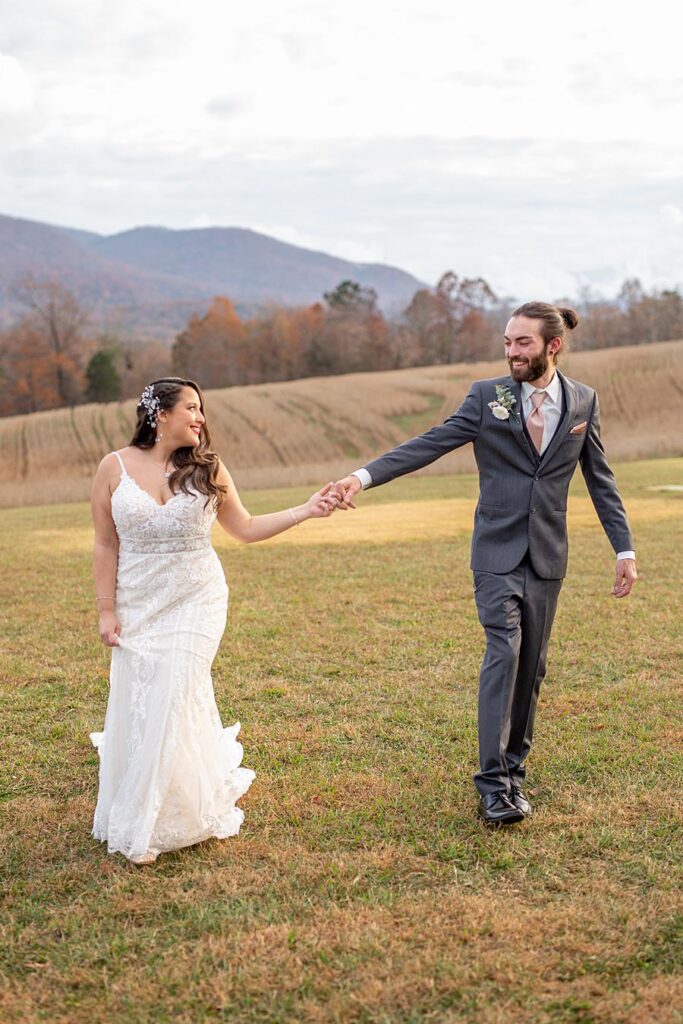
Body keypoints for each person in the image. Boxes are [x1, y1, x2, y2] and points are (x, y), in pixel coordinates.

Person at [333, 303, 637, 825]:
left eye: (522, 343)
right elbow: (428, 444)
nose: (512, 352)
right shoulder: (486, 397)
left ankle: (514, 773)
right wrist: (361, 477)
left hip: (546, 556)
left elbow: (600, 479)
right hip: (495, 554)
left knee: (532, 668)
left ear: (552, 346)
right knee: (505, 652)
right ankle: (493, 787)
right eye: (507, 342)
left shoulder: (583, 401)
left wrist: (624, 548)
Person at [90, 376, 338, 864]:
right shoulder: (112, 467)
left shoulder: (209, 468)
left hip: (197, 598)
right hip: (139, 603)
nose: (201, 419)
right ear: (159, 413)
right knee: (148, 695)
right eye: (192, 409)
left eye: (202, 410)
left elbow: (244, 528)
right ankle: (170, 795)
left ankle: (153, 822)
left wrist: (306, 510)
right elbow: (105, 542)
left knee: (176, 687)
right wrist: (106, 608)